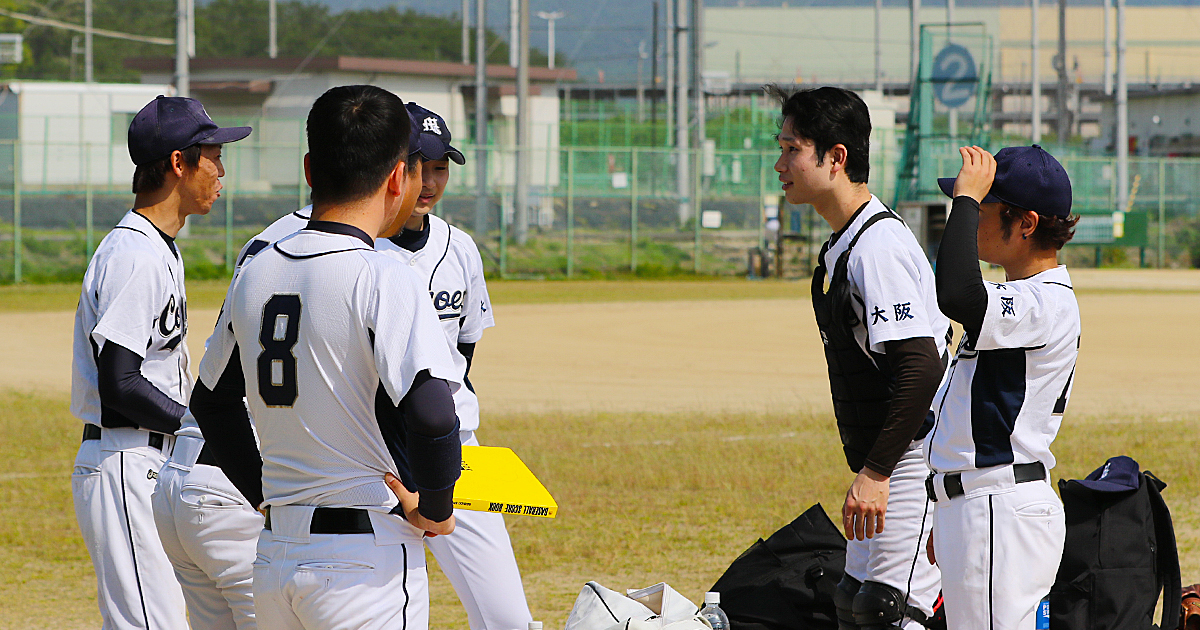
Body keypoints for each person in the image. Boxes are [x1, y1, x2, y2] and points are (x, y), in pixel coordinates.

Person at [190, 84, 461, 630]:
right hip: (365, 558)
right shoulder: (385, 273)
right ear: (396, 178)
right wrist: (434, 506)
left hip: (274, 557)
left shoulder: (258, 267)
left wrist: (265, 494)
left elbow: (211, 402)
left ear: (311, 169)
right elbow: (434, 412)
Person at [70, 95, 250, 630]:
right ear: (179, 162)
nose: (221, 170)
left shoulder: (157, 248)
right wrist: (199, 426)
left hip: (150, 462)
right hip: (126, 460)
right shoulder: (134, 255)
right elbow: (119, 382)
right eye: (213, 155)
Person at [771, 86, 946, 630]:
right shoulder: (845, 243)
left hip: (912, 459)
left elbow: (921, 368)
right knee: (854, 601)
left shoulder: (878, 248)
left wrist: (877, 472)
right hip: (887, 455)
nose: (779, 164)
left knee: (889, 612)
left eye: (791, 149)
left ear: (836, 157)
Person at [376, 102, 533, 630]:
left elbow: (462, 357)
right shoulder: (360, 248)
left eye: (441, 167)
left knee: (508, 618)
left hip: (453, 452)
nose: (430, 181)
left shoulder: (459, 249)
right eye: (419, 165)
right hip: (375, 459)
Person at [925, 145, 1080, 630]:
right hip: (980, 506)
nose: (971, 217)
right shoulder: (1023, 298)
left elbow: (955, 293)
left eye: (984, 210)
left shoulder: (1046, 302)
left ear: (1026, 223)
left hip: (998, 507)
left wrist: (965, 199)